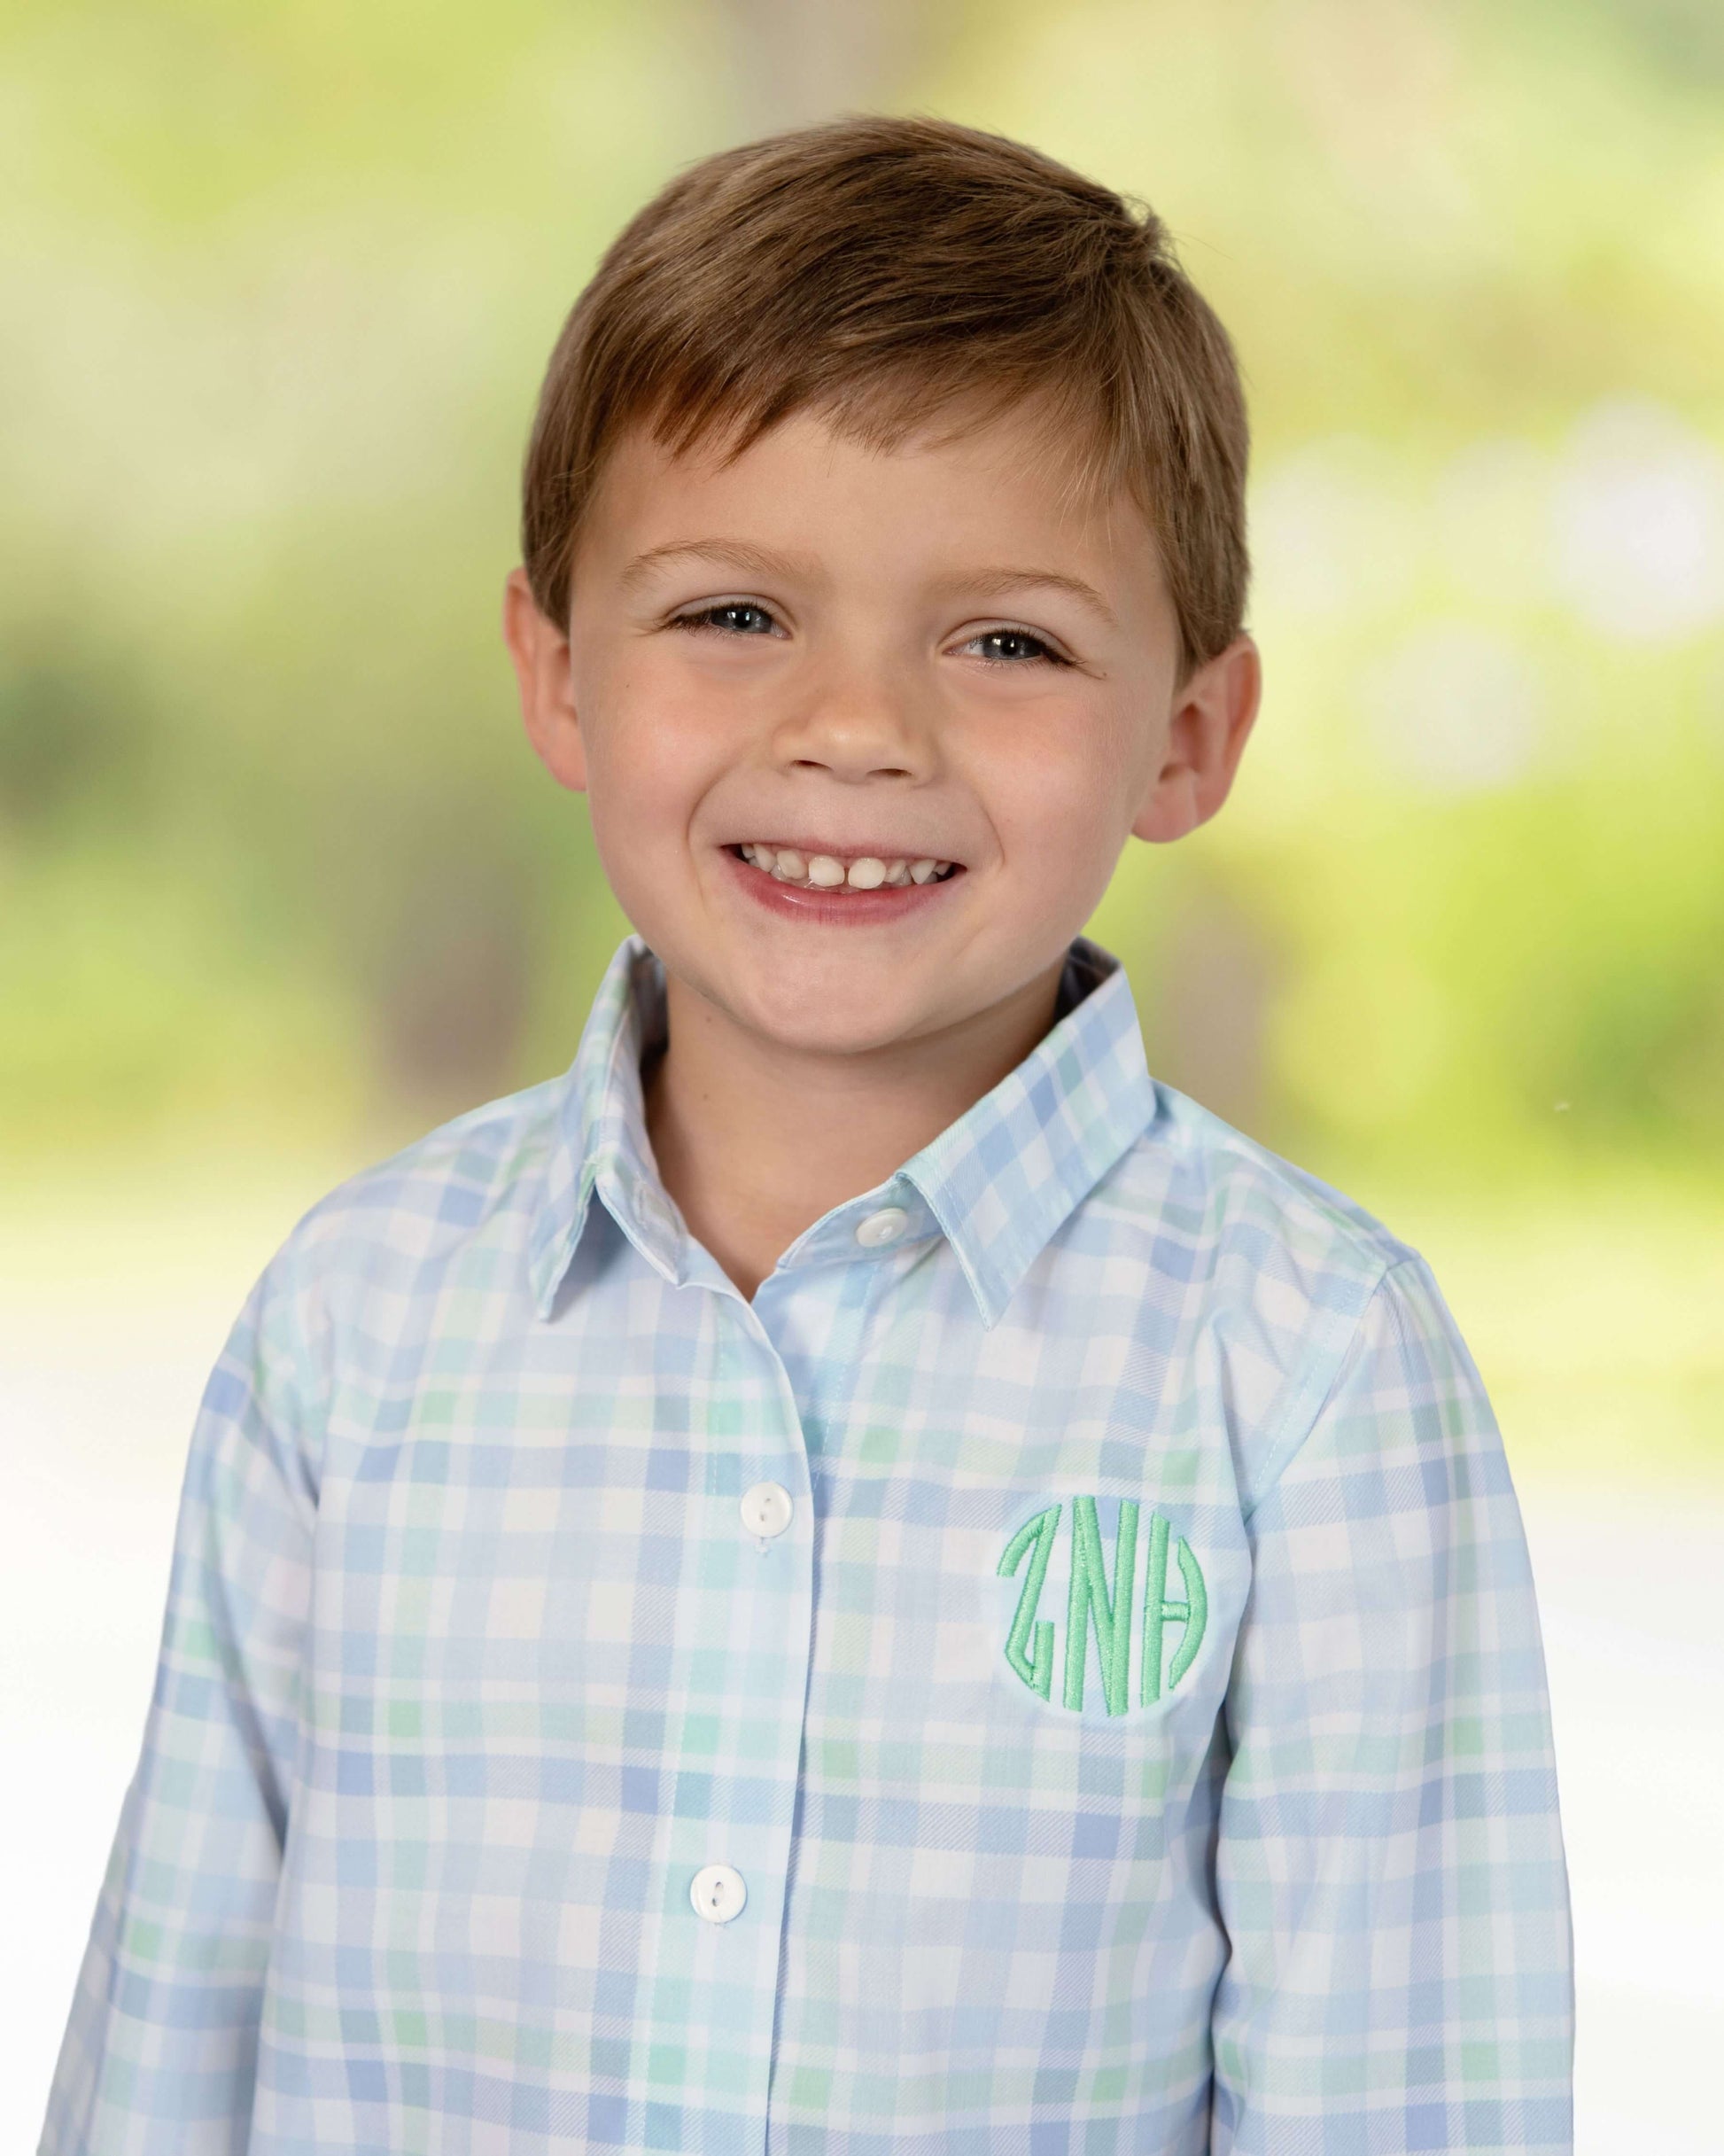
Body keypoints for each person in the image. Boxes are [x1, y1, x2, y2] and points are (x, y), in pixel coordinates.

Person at [41, 115, 1573, 2156]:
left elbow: (1403, 2095)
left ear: (1188, 738)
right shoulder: (358, 1321)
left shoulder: (1304, 1369)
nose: (855, 728)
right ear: (557, 673)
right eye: (734, 615)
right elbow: (172, 2027)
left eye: (1004, 639)